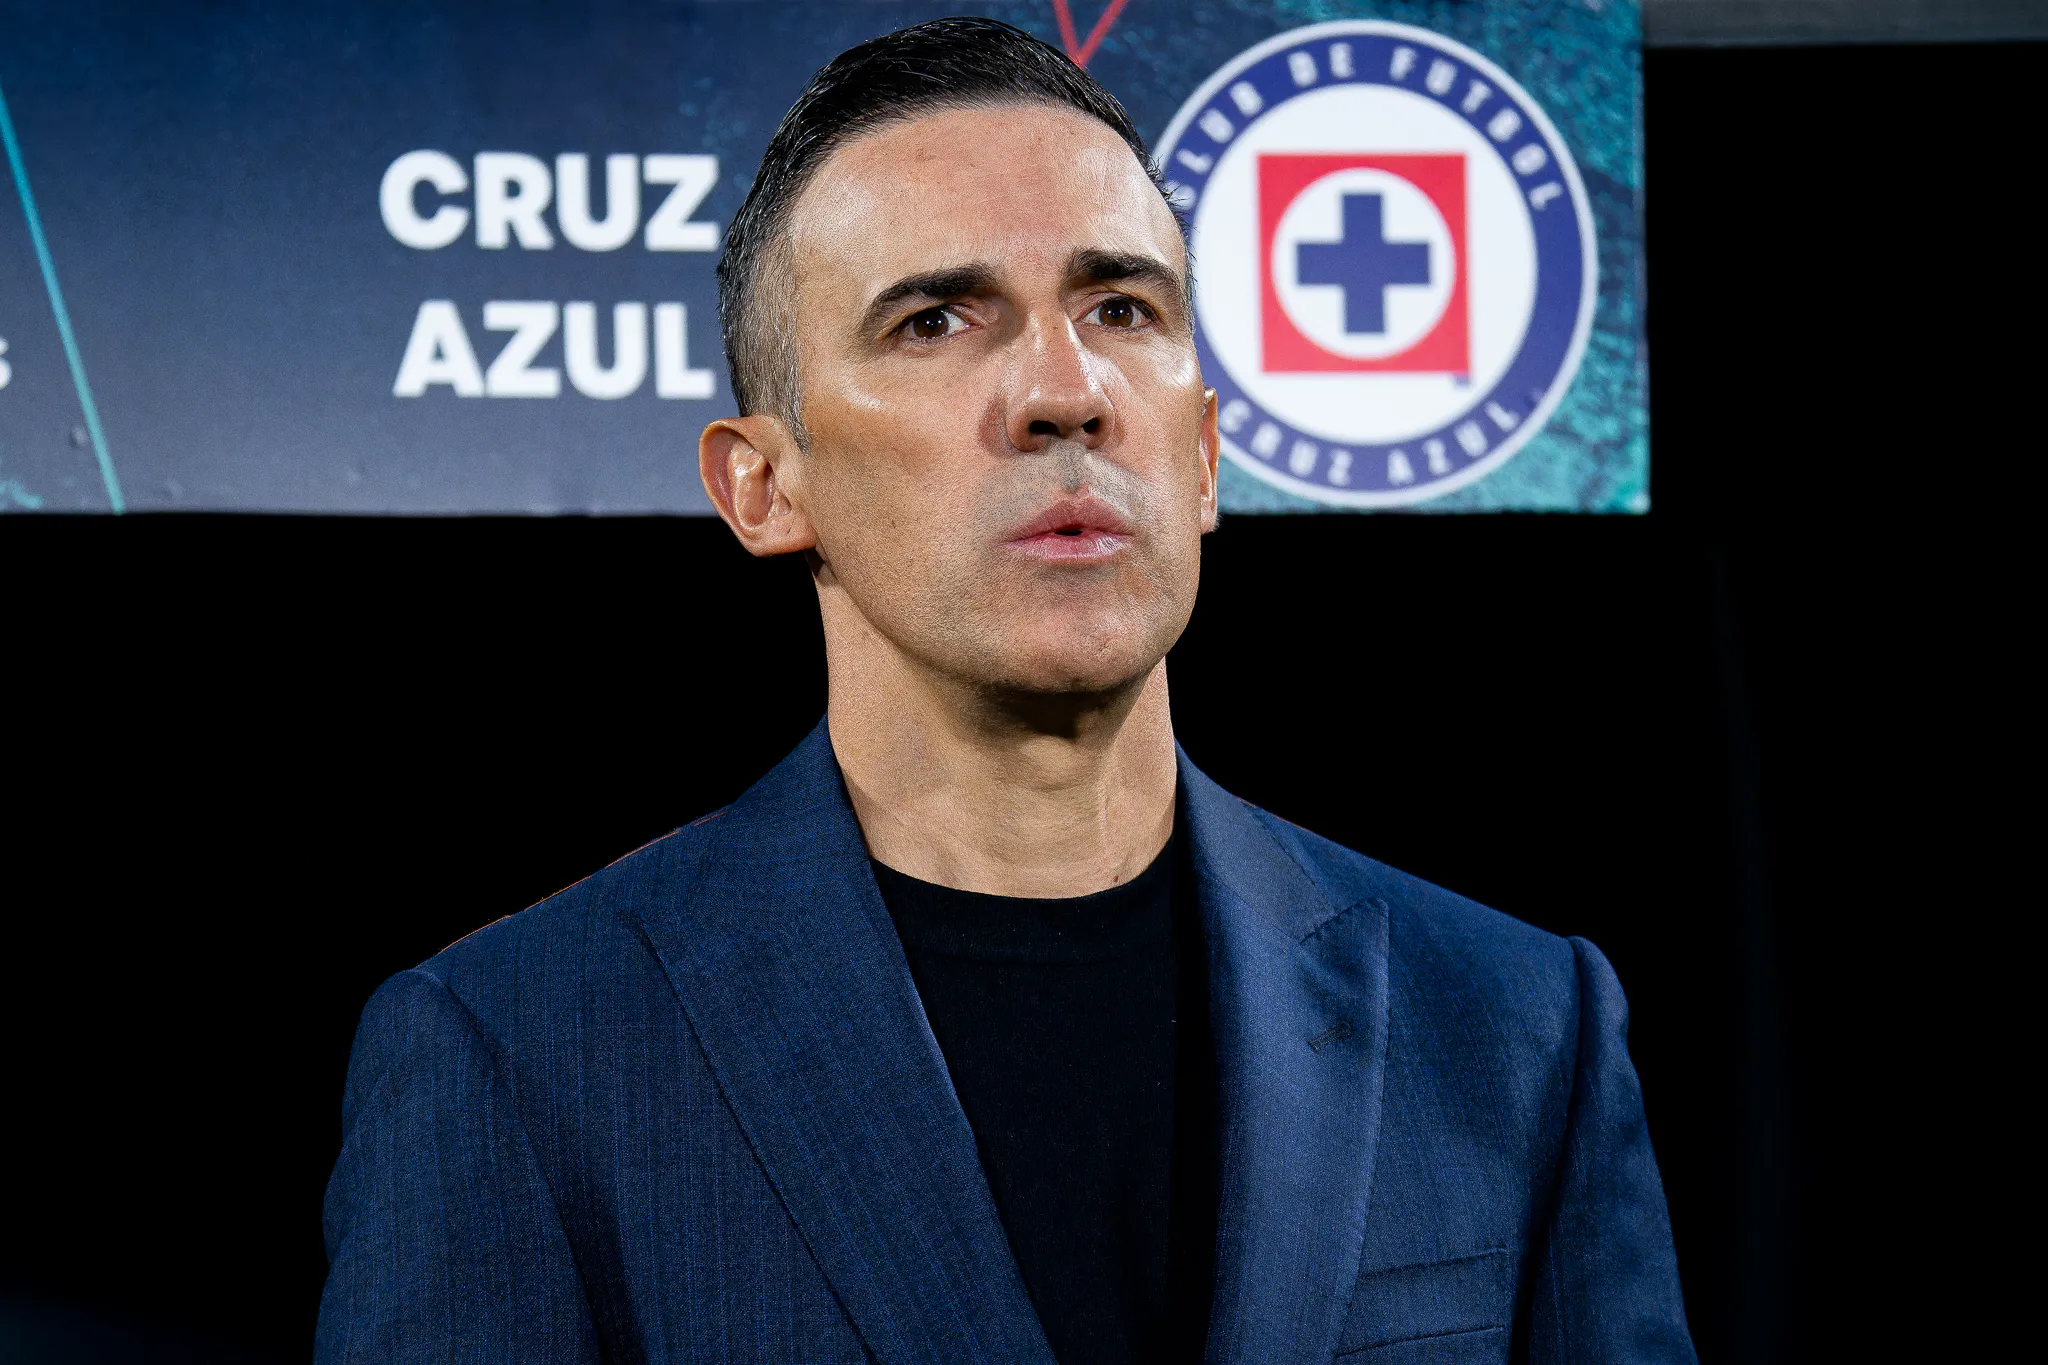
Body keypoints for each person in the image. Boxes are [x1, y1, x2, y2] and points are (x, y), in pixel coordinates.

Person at [316, 19, 1693, 1364]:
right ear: (764, 486)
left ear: (1204, 458)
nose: (1066, 392)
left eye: (1120, 309)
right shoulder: (518, 1052)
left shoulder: (1516, 1023)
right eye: (934, 320)